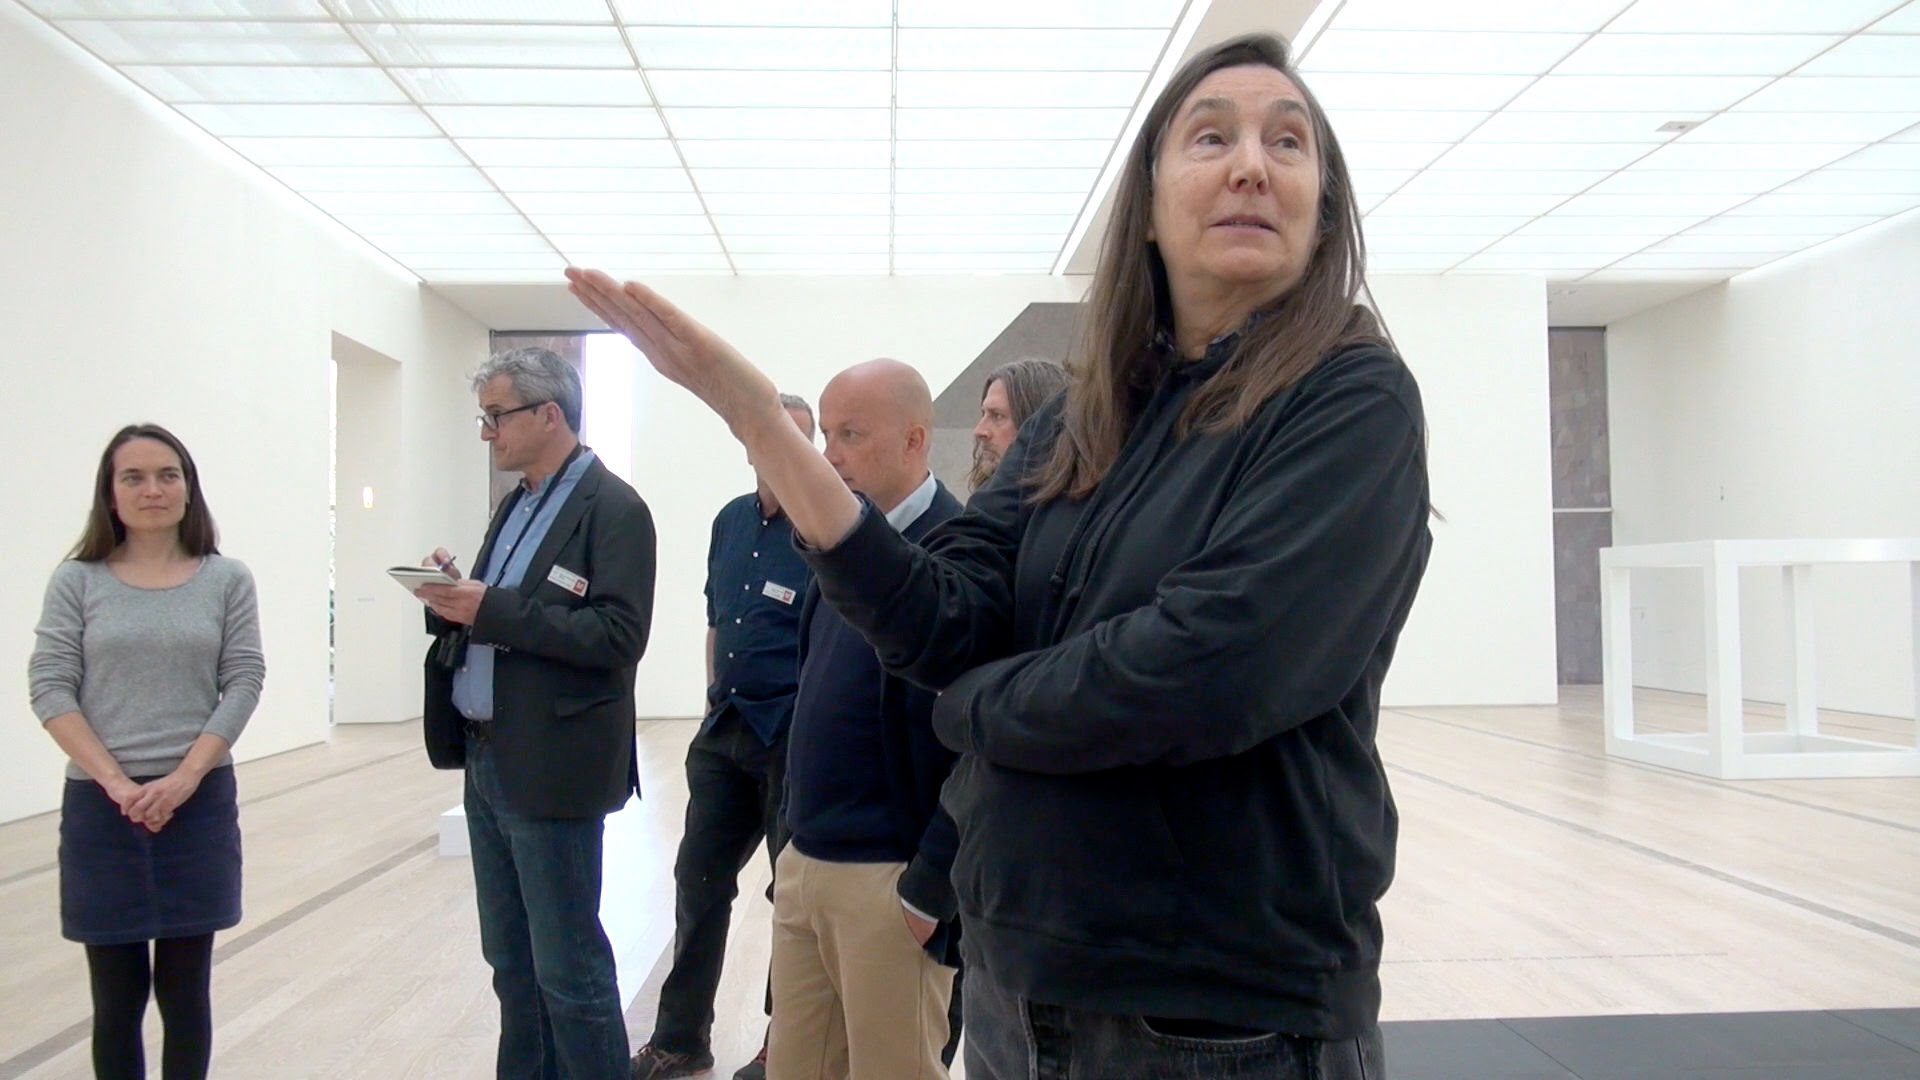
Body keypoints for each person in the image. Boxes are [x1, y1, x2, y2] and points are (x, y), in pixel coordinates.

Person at [569, 30, 1431, 1080]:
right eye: (1212, 137)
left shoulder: (1352, 396)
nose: (1252, 163)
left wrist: (972, 709)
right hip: (1021, 983)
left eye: (1287, 142)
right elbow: (944, 614)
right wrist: (760, 424)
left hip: (1224, 1013)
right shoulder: (1083, 418)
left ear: (1322, 206)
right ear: (1148, 204)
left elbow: (1212, 664)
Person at [414, 346, 656, 1080]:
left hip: (552, 766)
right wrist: (456, 598)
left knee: (569, 970)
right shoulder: (516, 504)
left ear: (549, 414)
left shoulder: (615, 509)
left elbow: (618, 636)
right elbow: (507, 613)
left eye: (496, 416)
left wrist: (491, 608)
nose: (487, 432)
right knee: (511, 964)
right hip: (487, 757)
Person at [29, 423, 265, 1080]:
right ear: (110, 493)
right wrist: (117, 784)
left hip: (198, 803)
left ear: (189, 488)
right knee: (117, 998)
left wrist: (185, 778)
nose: (152, 490)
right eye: (133, 477)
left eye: (167, 475)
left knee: (186, 993)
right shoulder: (77, 581)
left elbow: (243, 678)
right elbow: (50, 685)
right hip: (103, 808)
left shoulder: (227, 579)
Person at [771, 359, 963, 1080]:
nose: (830, 455)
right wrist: (790, 844)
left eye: (850, 434)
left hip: (888, 882)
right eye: (826, 434)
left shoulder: (962, 552)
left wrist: (928, 888)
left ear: (915, 440)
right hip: (807, 862)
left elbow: (981, 744)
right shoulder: (838, 547)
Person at [632, 394, 817, 1080]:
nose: (782, 448)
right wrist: (713, 695)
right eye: (769, 434)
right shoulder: (730, 521)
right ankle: (681, 1038)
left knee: (791, 898)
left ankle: (785, 1045)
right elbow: (719, 619)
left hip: (792, 740)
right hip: (725, 730)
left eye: (798, 438)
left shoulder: (826, 528)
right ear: (749, 443)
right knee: (697, 882)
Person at [967, 358, 1068, 492]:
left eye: (998, 416)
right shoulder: (989, 501)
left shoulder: (1077, 502)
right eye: (983, 414)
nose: (979, 431)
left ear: (1038, 424)